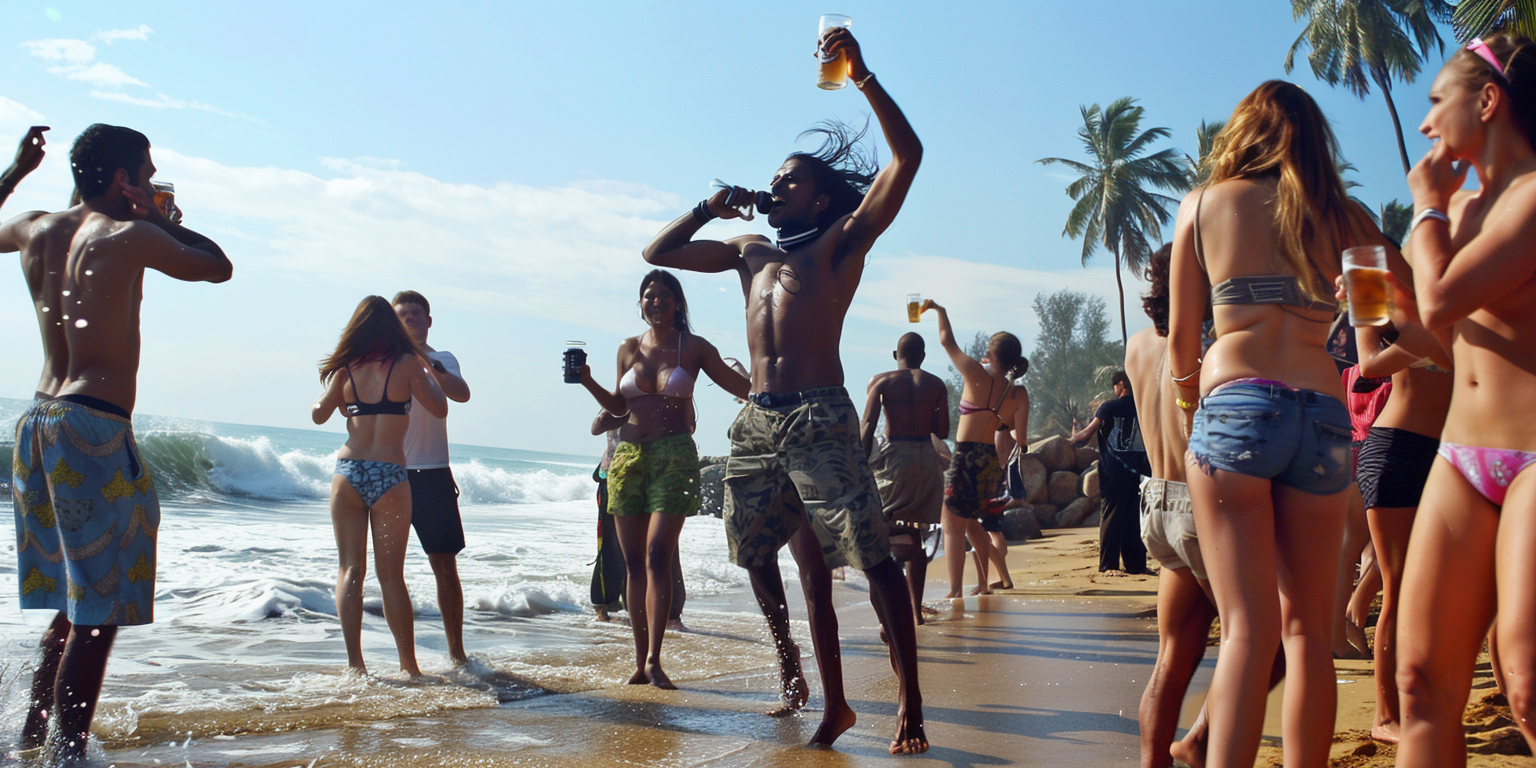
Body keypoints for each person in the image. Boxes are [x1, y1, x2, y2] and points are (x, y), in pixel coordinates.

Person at [641, 25, 928, 753]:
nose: (777, 185)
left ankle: (909, 705)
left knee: (871, 557)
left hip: (819, 417)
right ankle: (799, 676)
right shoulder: (750, 251)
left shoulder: (843, 241)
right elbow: (659, 252)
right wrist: (713, 206)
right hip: (758, 422)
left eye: (791, 179)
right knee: (757, 552)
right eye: (775, 177)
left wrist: (862, 74)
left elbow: (908, 157)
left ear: (824, 199)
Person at [1168, 81, 1405, 768]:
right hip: (1325, 419)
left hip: (1235, 408)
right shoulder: (1350, 220)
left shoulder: (1203, 204)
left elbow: (1185, 343)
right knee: (1307, 632)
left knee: (1246, 631)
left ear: (1243, 133)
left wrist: (1192, 409)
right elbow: (1377, 329)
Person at [2, 124, 232, 764]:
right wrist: (169, 220)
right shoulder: (130, 234)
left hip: (38, 422)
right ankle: (66, 754)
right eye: (147, 171)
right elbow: (218, 267)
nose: (155, 181)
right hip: (94, 426)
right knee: (99, 610)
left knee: (79, 599)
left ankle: (32, 740)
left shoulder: (35, 227)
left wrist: (16, 172)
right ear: (124, 179)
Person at [1395, 35, 1536, 765]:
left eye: (1434, 101)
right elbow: (1448, 342)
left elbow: (1444, 294)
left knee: (1528, 681)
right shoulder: (1470, 207)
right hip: (1462, 457)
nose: (1425, 124)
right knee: (1419, 682)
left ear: (1487, 100)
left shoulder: (1534, 195)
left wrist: (1425, 208)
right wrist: (1395, 309)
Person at [577, 269, 749, 689]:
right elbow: (619, 408)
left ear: (677, 303)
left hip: (674, 456)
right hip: (628, 459)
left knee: (657, 556)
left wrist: (773, 380)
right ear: (640, 303)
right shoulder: (627, 347)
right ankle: (639, 662)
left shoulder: (693, 348)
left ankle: (656, 657)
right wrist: (587, 383)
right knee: (634, 562)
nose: (656, 302)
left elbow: (740, 386)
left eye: (664, 296)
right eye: (648, 296)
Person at [1330, 276, 1453, 743]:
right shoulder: (1392, 308)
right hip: (1396, 451)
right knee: (1399, 584)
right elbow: (1368, 366)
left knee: (1447, 583)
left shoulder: (1463, 307)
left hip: (1450, 454)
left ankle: (1435, 695)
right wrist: (1428, 340)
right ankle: (1385, 716)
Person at [312, 296, 448, 678]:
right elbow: (440, 407)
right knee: (391, 576)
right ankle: (410, 667)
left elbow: (318, 414)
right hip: (389, 474)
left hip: (348, 472)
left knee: (349, 570)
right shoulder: (406, 364)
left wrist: (342, 400)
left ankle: (356, 667)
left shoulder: (346, 369)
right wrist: (424, 369)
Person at [391, 291, 473, 665]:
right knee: (389, 568)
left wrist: (422, 357)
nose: (409, 320)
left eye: (415, 315)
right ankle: (406, 662)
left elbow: (461, 394)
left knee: (444, 566)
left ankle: (457, 653)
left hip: (434, 474)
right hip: (391, 473)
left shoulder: (443, 360)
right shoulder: (383, 362)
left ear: (428, 321)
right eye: (401, 315)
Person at [926, 303, 1029, 597]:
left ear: (992, 353)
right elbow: (1019, 436)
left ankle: (956, 590)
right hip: (989, 461)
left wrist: (939, 310)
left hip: (965, 456)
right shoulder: (1019, 393)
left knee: (952, 527)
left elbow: (946, 340)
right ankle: (983, 585)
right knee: (973, 523)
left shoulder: (974, 373)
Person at [860, 332, 950, 624]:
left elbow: (867, 426)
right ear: (922, 357)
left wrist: (860, 467)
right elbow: (943, 430)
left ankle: (888, 609)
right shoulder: (936, 384)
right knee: (913, 534)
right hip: (927, 458)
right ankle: (914, 611)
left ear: (895, 355)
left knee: (880, 530)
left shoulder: (881, 381)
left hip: (897, 457)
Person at [588, 409, 689, 626]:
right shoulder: (618, 397)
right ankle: (603, 609)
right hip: (615, 478)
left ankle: (672, 615)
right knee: (613, 547)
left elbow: (688, 426)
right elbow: (597, 427)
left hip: (657, 477)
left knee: (664, 549)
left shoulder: (668, 396)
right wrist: (610, 416)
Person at [1071, 371, 1150, 574]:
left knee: (1111, 516)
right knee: (1133, 519)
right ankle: (1136, 565)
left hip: (1113, 471)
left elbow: (1087, 433)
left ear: (1121, 384)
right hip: (1139, 470)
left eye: (1115, 386)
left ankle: (1109, 565)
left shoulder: (1109, 407)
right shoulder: (1143, 406)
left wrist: (1072, 438)